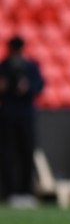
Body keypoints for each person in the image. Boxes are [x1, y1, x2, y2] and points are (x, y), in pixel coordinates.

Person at [0, 36, 45, 208]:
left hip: (26, 116)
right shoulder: (3, 67)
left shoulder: (30, 67)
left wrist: (27, 88)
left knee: (27, 153)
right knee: (7, 155)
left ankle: (26, 191)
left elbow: (39, 86)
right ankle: (9, 192)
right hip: (7, 117)